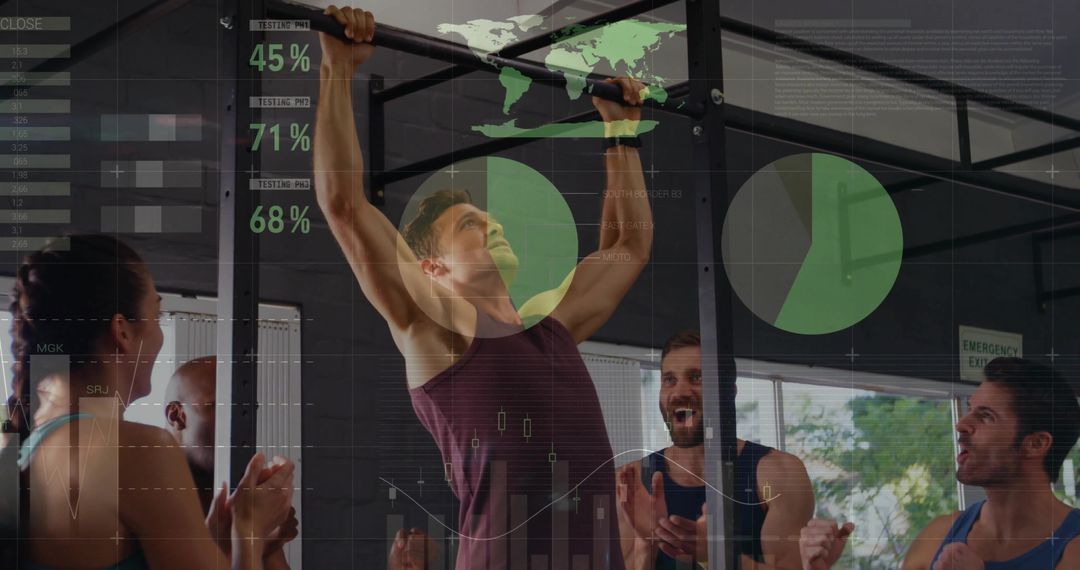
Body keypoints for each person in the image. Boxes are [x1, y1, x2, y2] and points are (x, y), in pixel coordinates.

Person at [315, 6, 653, 568]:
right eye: (470, 225)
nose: (492, 225)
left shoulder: (554, 330)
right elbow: (345, 206)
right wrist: (337, 69)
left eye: (491, 219)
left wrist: (621, 134)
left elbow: (628, 247)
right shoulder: (437, 331)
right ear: (432, 269)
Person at [0, 234, 294, 569]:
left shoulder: (28, 443)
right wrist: (252, 531)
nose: (159, 332)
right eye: (157, 313)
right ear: (122, 331)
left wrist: (216, 537)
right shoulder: (136, 452)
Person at [799, 357, 1080, 570]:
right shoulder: (938, 535)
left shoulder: (1073, 548)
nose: (961, 424)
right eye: (970, 409)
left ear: (1036, 444)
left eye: (985, 416)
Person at [617, 331, 814, 569]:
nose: (679, 392)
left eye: (696, 377)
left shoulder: (779, 474)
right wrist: (644, 544)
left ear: (729, 391)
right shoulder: (632, 481)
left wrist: (718, 554)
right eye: (670, 380)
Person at [165, 357, 299, 569]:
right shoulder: (150, 497)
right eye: (223, 407)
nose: (239, 424)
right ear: (176, 416)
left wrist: (265, 545)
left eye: (247, 410)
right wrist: (253, 538)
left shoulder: (239, 496)